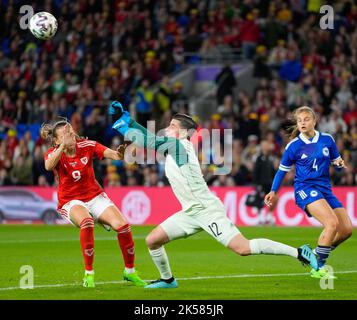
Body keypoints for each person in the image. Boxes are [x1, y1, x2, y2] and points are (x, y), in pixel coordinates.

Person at [108, 101, 318, 289]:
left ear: (183, 132)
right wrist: (128, 119)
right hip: (190, 212)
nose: (167, 128)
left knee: (242, 248)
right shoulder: (173, 147)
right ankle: (168, 280)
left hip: (207, 210)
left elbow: (149, 142)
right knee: (153, 240)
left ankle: (300, 252)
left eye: (172, 126)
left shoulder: (178, 146)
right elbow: (151, 139)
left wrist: (123, 125)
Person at [41, 119, 146, 288]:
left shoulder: (87, 145)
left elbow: (115, 155)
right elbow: (48, 166)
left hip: (94, 196)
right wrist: (62, 147)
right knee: (87, 222)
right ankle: (89, 274)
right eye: (66, 134)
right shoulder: (53, 153)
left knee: (123, 226)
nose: (71, 135)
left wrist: (120, 153)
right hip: (70, 201)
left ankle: (130, 271)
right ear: (57, 140)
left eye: (71, 131)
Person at [265, 106, 353, 279]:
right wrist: (273, 191)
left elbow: (336, 162)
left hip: (325, 189)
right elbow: (282, 171)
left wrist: (340, 165)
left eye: (306, 119)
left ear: (314, 120)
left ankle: (313, 254)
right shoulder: (294, 146)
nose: (302, 123)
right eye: (299, 120)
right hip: (305, 189)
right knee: (331, 223)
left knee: (346, 230)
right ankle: (317, 267)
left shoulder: (327, 140)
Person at [252, 140, 277, 225]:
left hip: (269, 184)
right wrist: (256, 184)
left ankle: (269, 216)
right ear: (262, 147)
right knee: (260, 200)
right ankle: (259, 218)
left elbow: (273, 172)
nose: (267, 146)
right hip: (261, 183)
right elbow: (255, 171)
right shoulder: (259, 158)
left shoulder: (270, 158)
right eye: (265, 145)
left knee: (275, 199)